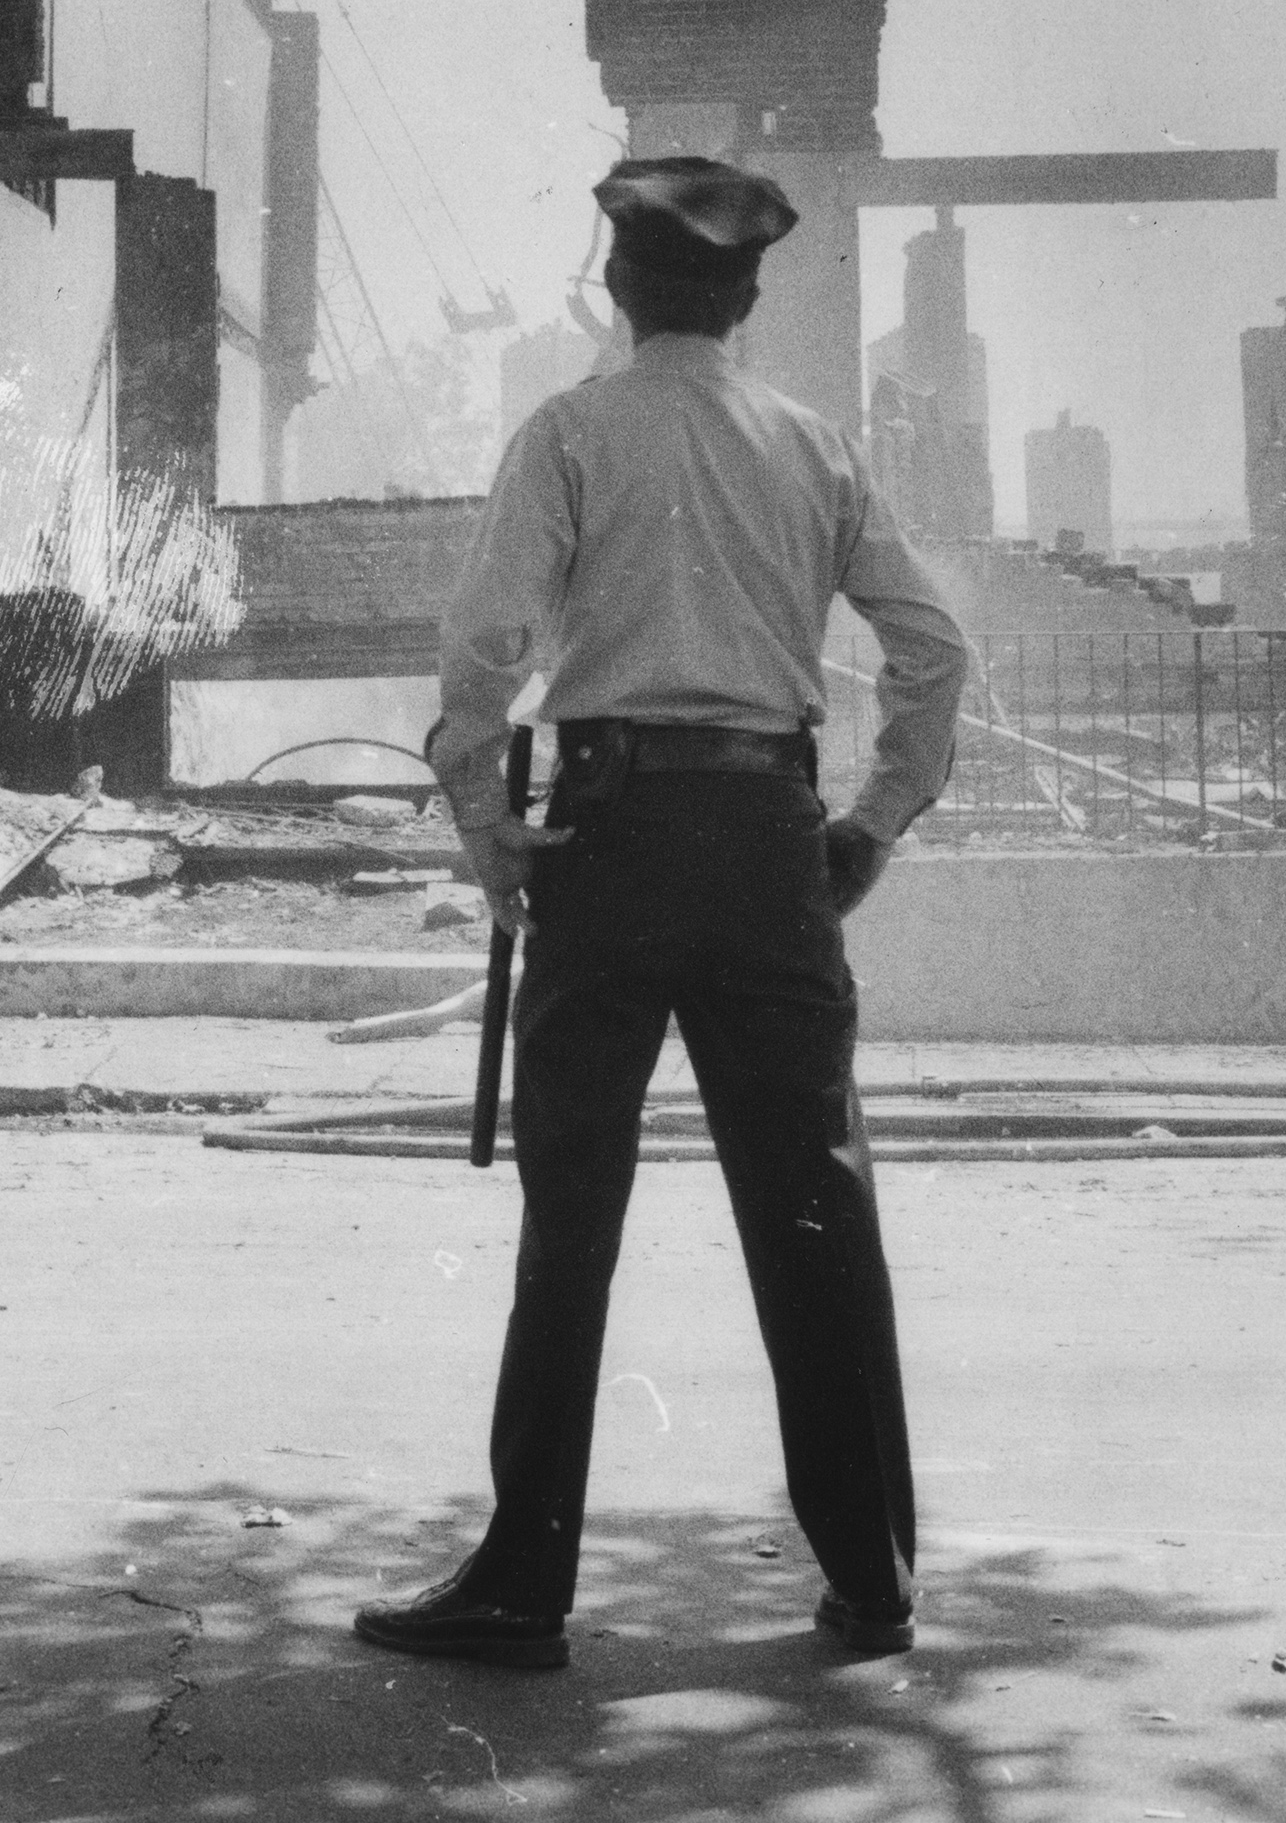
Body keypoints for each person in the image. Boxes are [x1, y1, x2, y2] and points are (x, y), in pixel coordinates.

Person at [354, 154, 970, 1672]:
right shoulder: (815, 446)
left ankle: (522, 1588)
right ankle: (873, 1581)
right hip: (769, 841)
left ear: (620, 288)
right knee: (817, 1208)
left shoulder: (570, 433)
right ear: (748, 297)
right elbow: (934, 648)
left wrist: (488, 825)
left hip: (610, 839)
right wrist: (873, 821)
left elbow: (486, 646)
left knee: (571, 1219)